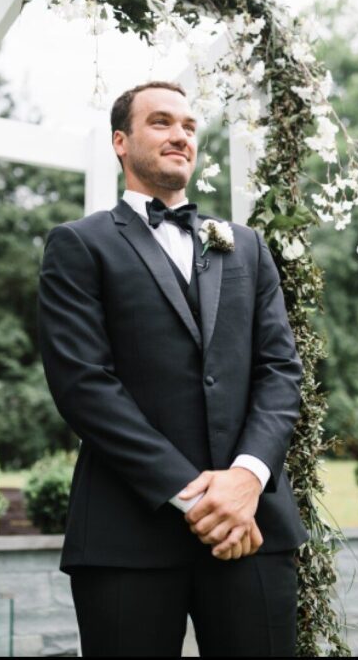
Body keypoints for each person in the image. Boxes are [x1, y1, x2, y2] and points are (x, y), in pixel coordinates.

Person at [38, 81, 308, 656]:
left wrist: (245, 480)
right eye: (161, 122)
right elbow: (84, 385)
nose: (181, 135)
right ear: (120, 141)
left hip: (250, 529)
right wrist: (198, 499)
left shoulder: (245, 246)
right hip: (126, 533)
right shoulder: (78, 245)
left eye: (188, 125)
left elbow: (280, 371)